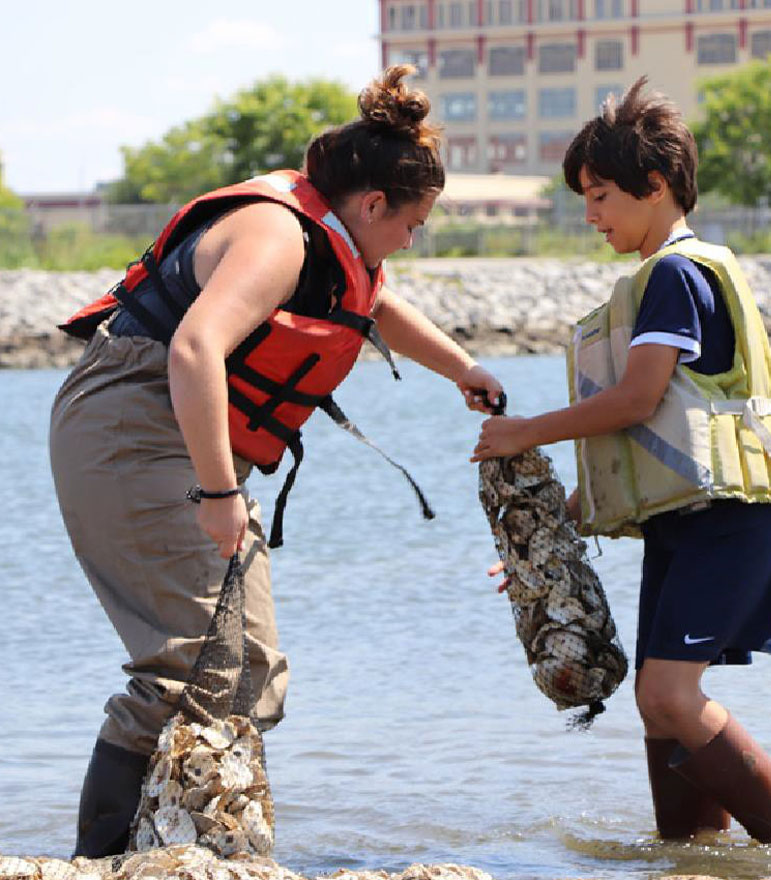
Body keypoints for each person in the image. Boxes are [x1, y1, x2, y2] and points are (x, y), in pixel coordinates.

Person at [50, 64, 504, 859]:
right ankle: (103, 866)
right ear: (372, 205)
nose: (409, 239)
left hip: (168, 428)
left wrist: (462, 367)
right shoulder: (276, 234)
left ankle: (190, 855)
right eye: (412, 224)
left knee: (246, 667)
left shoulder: (332, 241)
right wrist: (220, 490)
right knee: (191, 663)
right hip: (130, 421)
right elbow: (195, 348)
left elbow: (378, 305)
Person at [471, 77, 771, 847]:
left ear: (655, 187)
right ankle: (691, 856)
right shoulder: (656, 276)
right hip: (689, 519)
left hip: (731, 519)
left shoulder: (677, 274)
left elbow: (639, 400)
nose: (590, 215)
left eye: (602, 194)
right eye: (584, 196)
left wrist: (525, 433)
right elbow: (656, 437)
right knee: (658, 701)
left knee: (670, 695)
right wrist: (546, 539)